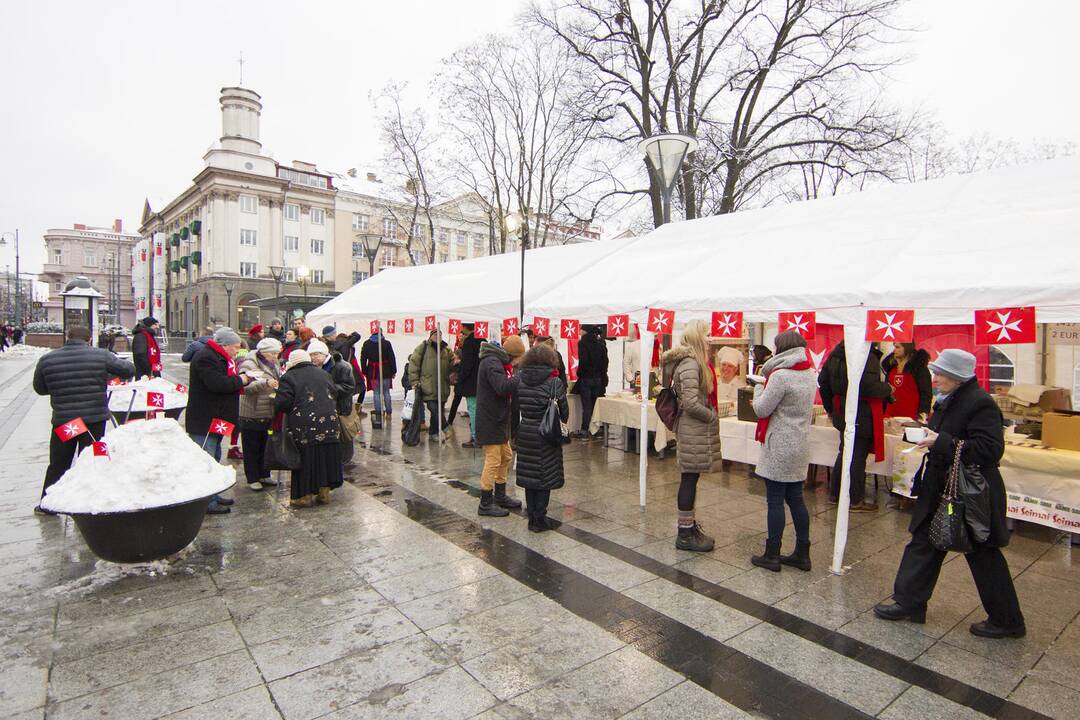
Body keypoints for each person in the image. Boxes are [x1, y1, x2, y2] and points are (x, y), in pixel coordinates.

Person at [875, 349, 1026, 639]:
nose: (935, 377)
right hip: (943, 484)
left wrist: (941, 441)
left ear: (957, 377)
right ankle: (909, 603)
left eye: (941, 373)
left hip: (970, 492)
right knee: (923, 541)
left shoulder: (979, 403)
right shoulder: (950, 399)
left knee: (983, 553)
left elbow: (990, 449)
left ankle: (1008, 620)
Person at [32, 326, 135, 515]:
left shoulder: (48, 359)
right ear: (88, 339)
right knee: (92, 459)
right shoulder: (100, 355)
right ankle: (90, 502)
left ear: (67, 338)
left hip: (66, 421)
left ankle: (48, 503)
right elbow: (128, 369)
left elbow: (40, 388)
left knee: (59, 461)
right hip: (93, 421)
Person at [748, 330, 818, 571]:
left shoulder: (780, 376)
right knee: (796, 499)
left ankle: (772, 554)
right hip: (799, 443)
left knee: (775, 500)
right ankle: (802, 552)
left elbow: (761, 409)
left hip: (779, 445)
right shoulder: (809, 373)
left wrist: (758, 387)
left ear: (781, 349)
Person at [660, 319, 721, 552]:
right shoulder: (690, 364)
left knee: (691, 479)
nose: (710, 338)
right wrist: (712, 416)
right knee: (689, 479)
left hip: (692, 429)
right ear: (697, 337)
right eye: (707, 334)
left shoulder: (692, 363)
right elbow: (691, 403)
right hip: (692, 429)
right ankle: (684, 534)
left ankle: (689, 527)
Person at [818, 341, 893, 511]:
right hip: (862, 411)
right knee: (857, 456)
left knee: (845, 452)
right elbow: (867, 386)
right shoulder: (866, 356)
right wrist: (887, 389)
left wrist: (830, 409)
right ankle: (854, 499)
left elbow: (823, 382)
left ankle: (835, 494)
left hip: (842, 410)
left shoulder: (836, 354)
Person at [186, 327, 252, 514]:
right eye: (236, 347)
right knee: (205, 461)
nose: (238, 351)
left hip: (217, 417)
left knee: (214, 457)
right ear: (225, 345)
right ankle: (205, 502)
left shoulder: (219, 357)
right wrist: (242, 380)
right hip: (206, 418)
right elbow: (217, 383)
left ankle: (213, 495)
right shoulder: (206, 357)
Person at [275, 349, 343, 508]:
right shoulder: (323, 373)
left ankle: (304, 496)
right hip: (330, 421)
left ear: (292, 362)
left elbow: (282, 403)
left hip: (305, 424)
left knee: (306, 457)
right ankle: (324, 493)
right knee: (326, 455)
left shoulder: (289, 377)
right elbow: (334, 392)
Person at [515, 344, 569, 531]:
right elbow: (564, 413)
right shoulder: (554, 383)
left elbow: (515, 407)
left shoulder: (519, 378)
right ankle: (540, 518)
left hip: (525, 431)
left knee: (530, 476)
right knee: (545, 476)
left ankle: (531, 516)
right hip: (546, 433)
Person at [475, 336, 524, 516]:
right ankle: (485, 502)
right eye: (519, 358)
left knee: (506, 456)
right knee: (493, 460)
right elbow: (502, 387)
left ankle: (500, 496)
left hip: (498, 419)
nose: (519, 362)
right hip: (490, 420)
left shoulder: (497, 362)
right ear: (513, 355)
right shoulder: (491, 363)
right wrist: (520, 376)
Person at [237, 337, 282, 491]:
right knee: (252, 447)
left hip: (268, 410)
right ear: (263, 352)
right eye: (272, 354)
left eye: (277, 353)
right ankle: (253, 478)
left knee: (266, 445)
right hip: (252, 412)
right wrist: (265, 383)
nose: (275, 357)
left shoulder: (274, 363)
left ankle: (264, 474)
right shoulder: (249, 363)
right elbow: (246, 387)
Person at [308, 339, 357, 467]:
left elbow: (349, 387)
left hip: (341, 406)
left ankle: (345, 460)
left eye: (316, 354)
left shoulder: (341, 366)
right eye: (311, 355)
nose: (313, 357)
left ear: (325, 354)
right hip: (324, 407)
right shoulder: (313, 367)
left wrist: (328, 388)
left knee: (344, 433)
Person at [408, 329, 454, 442]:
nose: (437, 336)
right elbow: (414, 364)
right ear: (430, 336)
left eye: (439, 334)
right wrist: (414, 381)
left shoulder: (447, 349)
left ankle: (433, 433)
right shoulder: (422, 347)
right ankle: (446, 427)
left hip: (442, 386)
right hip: (427, 385)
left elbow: (452, 363)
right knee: (433, 408)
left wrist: (455, 364)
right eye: (435, 334)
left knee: (438, 411)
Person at [574, 324, 608, 439]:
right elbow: (605, 362)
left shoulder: (582, 343)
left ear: (585, 331)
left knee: (587, 406)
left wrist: (580, 374)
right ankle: (596, 430)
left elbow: (583, 362)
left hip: (586, 378)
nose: (579, 332)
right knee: (595, 405)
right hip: (598, 378)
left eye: (581, 330)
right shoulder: (600, 343)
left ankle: (584, 430)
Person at [883, 342, 932, 422]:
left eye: (898, 347)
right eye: (894, 347)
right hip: (890, 416)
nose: (894, 350)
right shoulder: (891, 368)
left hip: (911, 417)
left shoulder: (919, 368)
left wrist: (922, 415)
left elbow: (926, 394)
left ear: (907, 348)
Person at [360, 329, 397, 428]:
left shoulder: (367, 344)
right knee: (386, 392)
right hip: (385, 371)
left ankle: (379, 413)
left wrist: (364, 371)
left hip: (373, 372)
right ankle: (388, 413)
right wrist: (394, 371)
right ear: (381, 333)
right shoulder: (386, 343)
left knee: (376, 393)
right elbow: (392, 357)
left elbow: (363, 359)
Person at [455, 324, 482, 447]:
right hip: (482, 382)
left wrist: (460, 378)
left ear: (465, 327)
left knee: (473, 411)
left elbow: (467, 365)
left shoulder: (469, 343)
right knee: (480, 411)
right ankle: (478, 437)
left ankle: (476, 438)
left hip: (471, 384)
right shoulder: (482, 340)